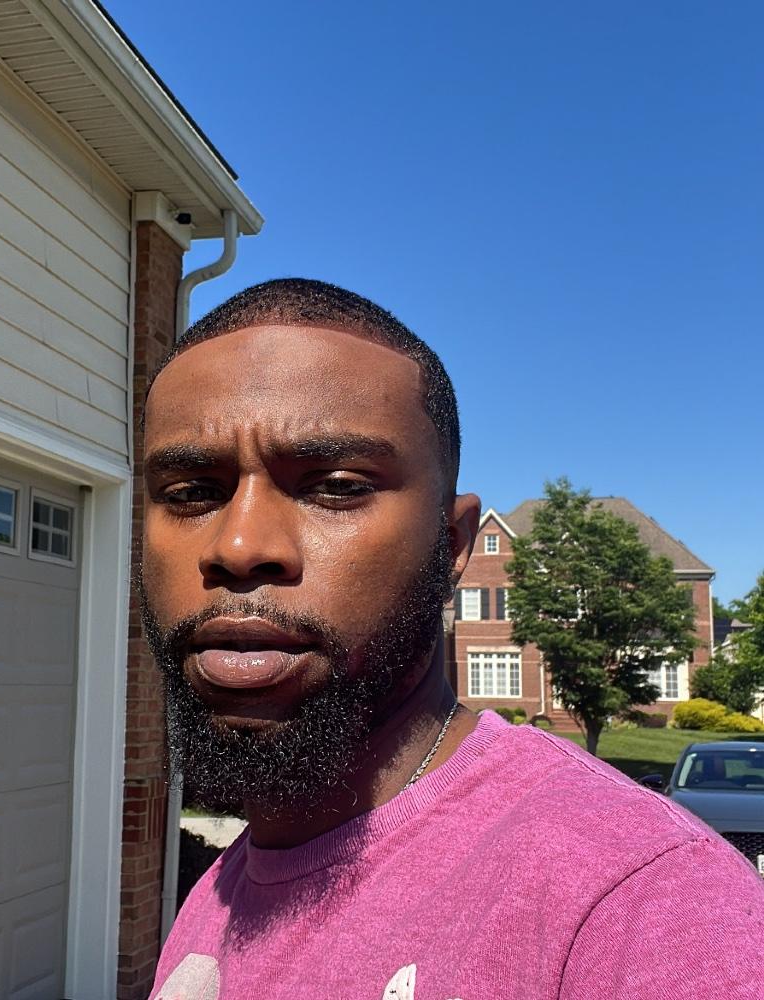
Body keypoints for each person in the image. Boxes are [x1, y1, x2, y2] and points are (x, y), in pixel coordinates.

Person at [139, 278, 764, 1000]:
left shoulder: (646, 906)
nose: (239, 547)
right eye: (190, 492)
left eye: (335, 486)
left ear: (453, 546)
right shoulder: (221, 889)